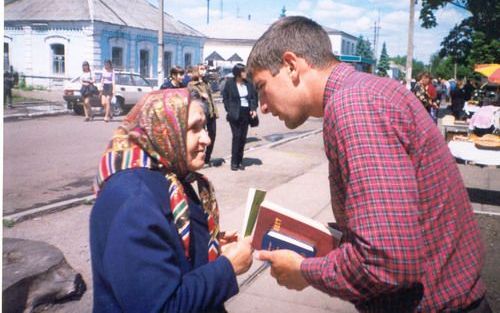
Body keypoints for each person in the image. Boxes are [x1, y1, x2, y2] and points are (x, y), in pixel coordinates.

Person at [247, 16, 490, 312]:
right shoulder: (367, 91)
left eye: (261, 86)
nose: (262, 105)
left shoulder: (353, 105)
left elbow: (386, 261)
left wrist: (304, 270)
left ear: (291, 65)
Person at [90, 88, 253, 313]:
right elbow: (161, 306)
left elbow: (167, 244)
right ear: (163, 130)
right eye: (194, 128)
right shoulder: (132, 201)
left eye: (204, 127)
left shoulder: (168, 175)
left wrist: (207, 246)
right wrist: (227, 268)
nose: (207, 138)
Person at [222, 63, 258, 171]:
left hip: (246, 113)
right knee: (236, 136)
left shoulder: (249, 84)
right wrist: (229, 110)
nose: (245, 73)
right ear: (238, 73)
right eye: (243, 71)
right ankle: (234, 162)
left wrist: (253, 109)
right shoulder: (230, 83)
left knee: (243, 138)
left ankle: (240, 161)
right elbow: (225, 98)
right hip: (234, 114)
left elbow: (253, 98)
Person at [188, 64, 218, 166]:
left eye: (204, 69)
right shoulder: (192, 85)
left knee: (212, 135)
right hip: (201, 114)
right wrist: (200, 95)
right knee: (201, 136)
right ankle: (199, 157)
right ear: (196, 71)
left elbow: (211, 98)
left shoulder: (206, 83)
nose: (203, 71)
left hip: (210, 113)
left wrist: (215, 111)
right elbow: (193, 98)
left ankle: (207, 157)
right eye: (201, 69)